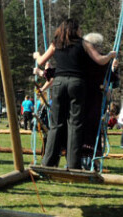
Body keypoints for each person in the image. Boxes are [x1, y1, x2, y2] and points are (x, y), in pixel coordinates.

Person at [33, 19, 116, 169]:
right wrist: (110, 55)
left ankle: (48, 162)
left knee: (56, 124)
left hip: (58, 82)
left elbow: (40, 61)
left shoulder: (55, 43)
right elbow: (100, 60)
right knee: (75, 124)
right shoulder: (84, 43)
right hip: (77, 83)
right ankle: (73, 164)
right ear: (75, 29)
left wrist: (36, 55)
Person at [76, 32, 119, 170]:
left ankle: (78, 159)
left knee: (79, 129)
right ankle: (91, 159)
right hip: (93, 99)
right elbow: (113, 81)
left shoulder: (79, 61)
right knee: (92, 130)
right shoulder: (101, 62)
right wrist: (114, 69)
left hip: (80, 98)